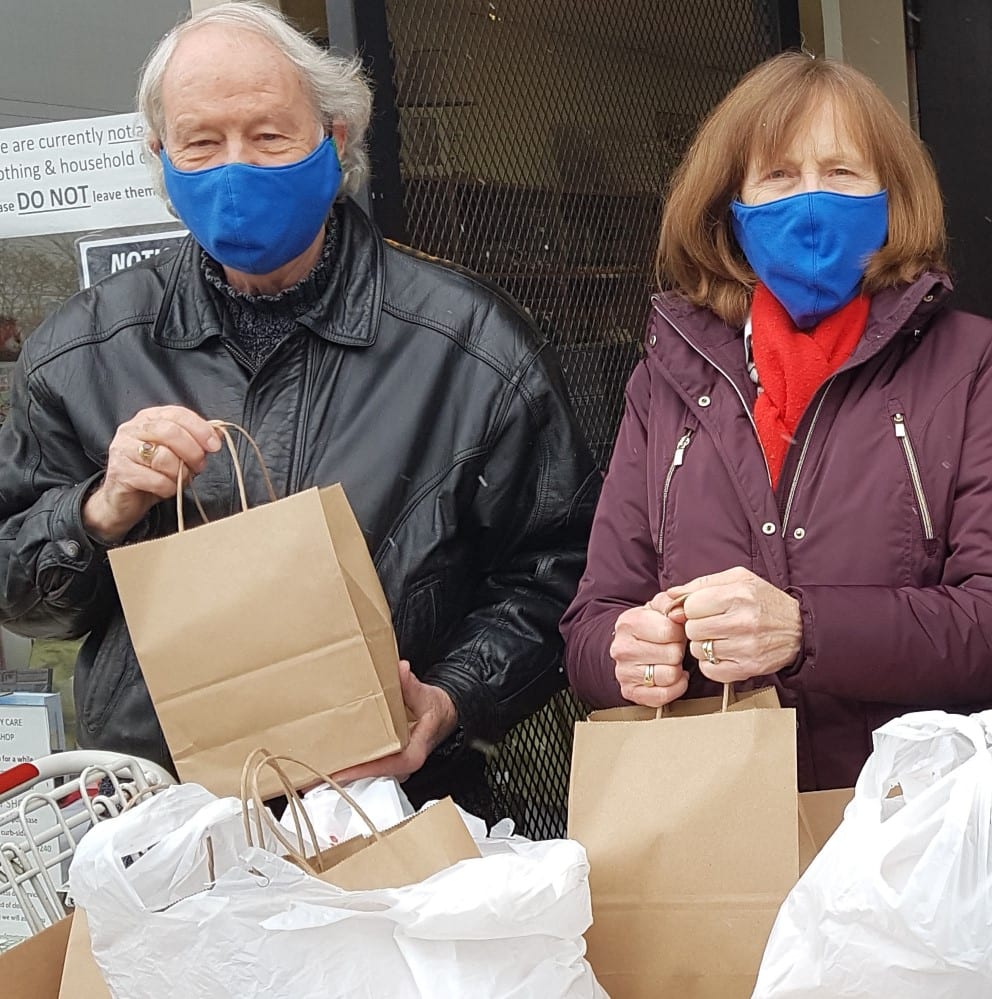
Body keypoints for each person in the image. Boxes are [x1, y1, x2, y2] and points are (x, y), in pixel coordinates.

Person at [0, 2, 598, 817]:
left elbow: (560, 572)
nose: (235, 169)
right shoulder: (84, 351)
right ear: (160, 158)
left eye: (269, 136)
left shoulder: (467, 344)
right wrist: (99, 510)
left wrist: (452, 697)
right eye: (201, 142)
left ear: (335, 140)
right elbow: (25, 601)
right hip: (169, 831)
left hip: (400, 814)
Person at [561, 53, 992, 792]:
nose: (809, 201)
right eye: (778, 176)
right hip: (721, 833)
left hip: (916, 834)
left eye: (841, 172)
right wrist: (622, 651)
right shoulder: (667, 380)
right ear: (731, 205)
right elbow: (589, 622)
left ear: (893, 197)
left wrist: (803, 629)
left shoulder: (974, 362)